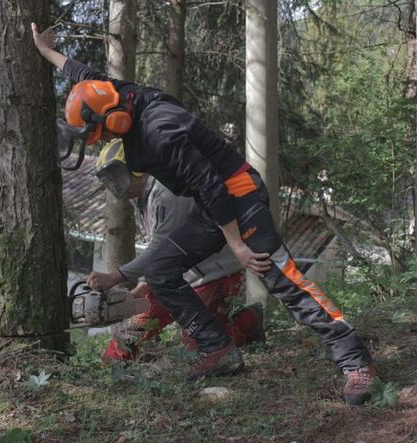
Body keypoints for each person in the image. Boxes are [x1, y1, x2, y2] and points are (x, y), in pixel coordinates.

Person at [32, 23, 376, 405]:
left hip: (238, 194)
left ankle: (354, 361)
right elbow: (86, 75)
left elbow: (212, 186)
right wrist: (47, 51)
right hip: (213, 206)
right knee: (161, 271)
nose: (108, 142)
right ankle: (219, 349)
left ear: (115, 119)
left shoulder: (163, 131)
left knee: (282, 278)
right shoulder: (121, 94)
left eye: (105, 135)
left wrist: (238, 246)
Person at [87, 140, 268, 362]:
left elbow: (161, 246)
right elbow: (161, 249)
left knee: (199, 344)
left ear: (136, 166)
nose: (116, 184)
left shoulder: (166, 193)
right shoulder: (143, 197)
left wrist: (115, 277)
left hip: (211, 273)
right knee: (134, 326)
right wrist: (143, 286)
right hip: (173, 274)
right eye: (111, 179)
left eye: (117, 175)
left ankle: (248, 322)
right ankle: (109, 367)